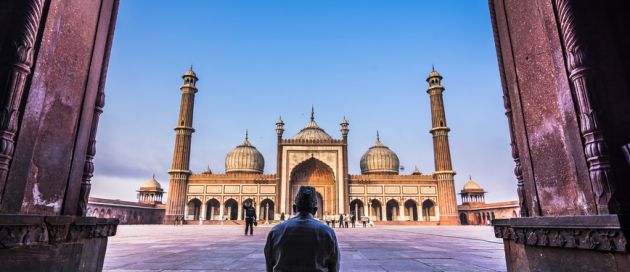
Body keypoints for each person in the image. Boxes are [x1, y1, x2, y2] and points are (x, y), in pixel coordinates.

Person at [264, 186, 339, 272]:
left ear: (294, 208)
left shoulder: (276, 231)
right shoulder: (327, 232)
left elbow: (269, 265)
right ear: (315, 210)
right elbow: (334, 267)